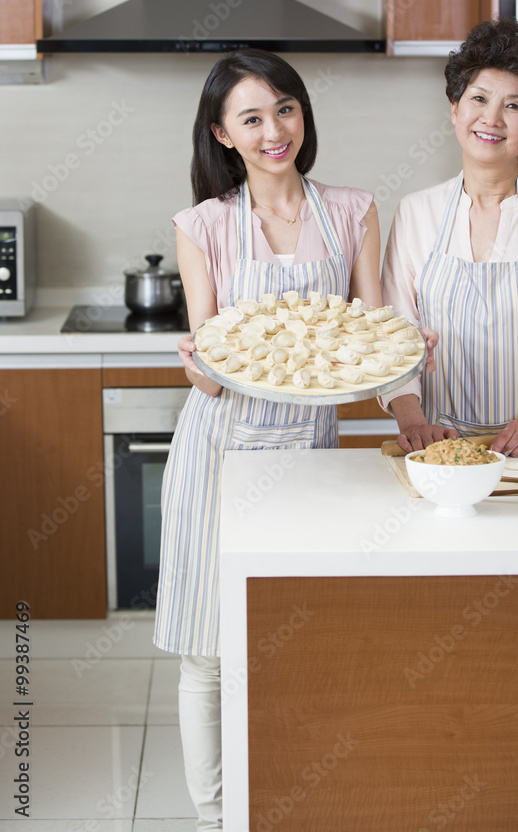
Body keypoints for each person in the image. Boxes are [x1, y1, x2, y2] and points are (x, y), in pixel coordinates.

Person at [153, 50, 382, 830]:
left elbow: (373, 334)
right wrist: (198, 365)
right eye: (250, 117)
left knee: (294, 639)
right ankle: (216, 817)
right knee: (208, 650)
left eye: (285, 108)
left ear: (303, 114)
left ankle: (288, 799)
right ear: (221, 134)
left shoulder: (351, 211)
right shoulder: (203, 225)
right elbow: (213, 373)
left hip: (309, 457)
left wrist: (410, 351)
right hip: (220, 450)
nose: (273, 129)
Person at [381, 18, 518, 457]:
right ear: (455, 109)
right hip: (443, 453)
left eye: (514, 106)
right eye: (479, 99)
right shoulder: (415, 213)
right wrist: (414, 423)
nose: (491, 118)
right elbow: (397, 337)